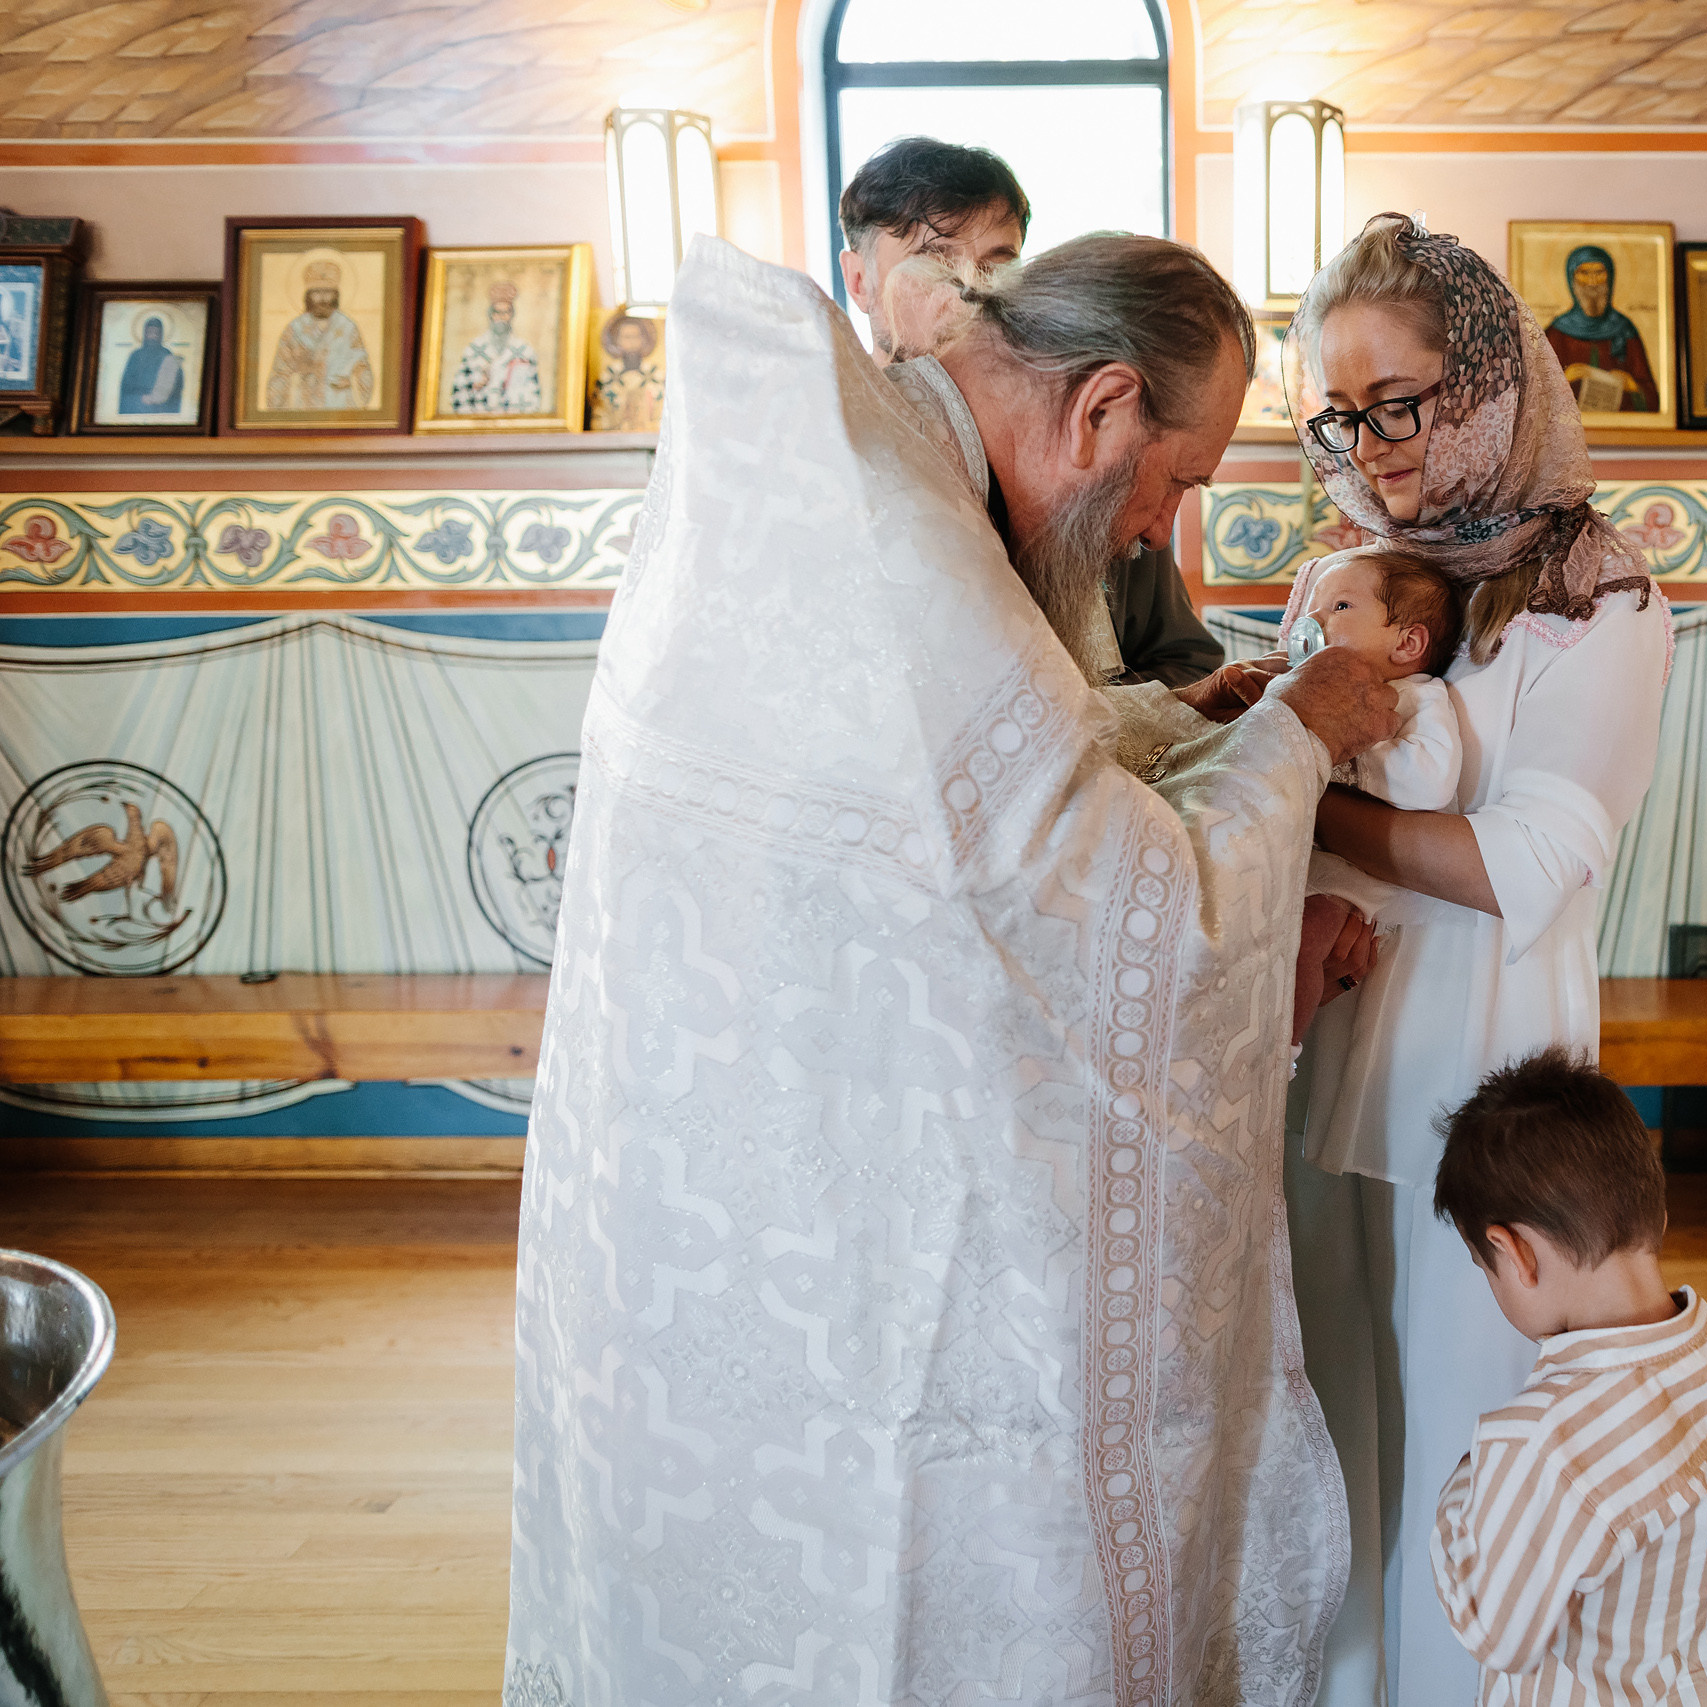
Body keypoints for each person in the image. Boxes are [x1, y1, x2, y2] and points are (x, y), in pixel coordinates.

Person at [503, 232, 1399, 1707]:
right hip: (821, 1215)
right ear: (1103, 407)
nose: (1155, 533)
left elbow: (994, 793)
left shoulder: (880, 467)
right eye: (1177, 483)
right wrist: (1298, 726)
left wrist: (1190, 727)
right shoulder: (905, 534)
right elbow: (1139, 921)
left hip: (728, 1195)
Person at [1281, 212, 1673, 1707]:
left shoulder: (1600, 598)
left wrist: (1306, 795)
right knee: (1330, 1437)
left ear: (1494, 383)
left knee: (1462, 1440)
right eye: (1342, 409)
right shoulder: (1349, 577)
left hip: (1481, 1081)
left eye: (1400, 403)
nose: (1370, 444)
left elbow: (1525, 860)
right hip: (1332, 1051)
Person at [1427, 1049, 1707, 1706]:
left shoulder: (1540, 1443)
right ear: (1656, 1213)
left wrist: (1470, 1483)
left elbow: (1492, 1627)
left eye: (1483, 1265)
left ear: (1515, 1253)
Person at [841, 133, 1225, 689]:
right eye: (935, 263)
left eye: (997, 266)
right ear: (860, 281)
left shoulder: (1098, 466)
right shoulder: (853, 464)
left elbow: (1186, 660)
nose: (970, 294)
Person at [1287, 545, 1465, 1044]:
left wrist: (1345, 751)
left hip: (1358, 873)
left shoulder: (1418, 697)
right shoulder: (1316, 691)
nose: (1314, 619)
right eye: (1312, 609)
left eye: (1340, 608)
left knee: (1309, 932)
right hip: (1311, 857)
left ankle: (1280, 1055)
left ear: (1407, 644)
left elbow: (1429, 780)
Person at [1540, 245, 1657, 414]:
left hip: (1620, 430)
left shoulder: (1625, 330)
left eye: (1599, 273)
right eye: (1584, 273)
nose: (1592, 282)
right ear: (1571, 278)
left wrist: (1631, 385)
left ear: (1610, 276)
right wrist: (1566, 378)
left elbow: (1654, 400)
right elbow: (1534, 398)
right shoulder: (1556, 333)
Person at [266, 257, 372, 411]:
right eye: (317, 292)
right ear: (308, 295)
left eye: (328, 292)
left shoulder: (348, 328)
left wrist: (351, 382)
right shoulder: (294, 329)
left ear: (335, 295)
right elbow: (280, 373)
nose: (322, 298)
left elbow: (363, 369)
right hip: (303, 404)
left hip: (340, 405)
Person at [446, 279, 542, 415]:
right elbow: (459, 393)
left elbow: (533, 396)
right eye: (497, 312)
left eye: (506, 313)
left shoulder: (524, 351)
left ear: (512, 315)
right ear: (490, 315)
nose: (501, 318)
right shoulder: (474, 350)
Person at [117, 316, 184, 414]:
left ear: (161, 335)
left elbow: (176, 384)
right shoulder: (136, 355)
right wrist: (141, 397)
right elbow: (126, 385)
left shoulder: (167, 355)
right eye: (150, 332)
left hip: (160, 405)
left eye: (156, 333)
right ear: (145, 333)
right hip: (137, 403)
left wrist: (157, 397)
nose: (153, 336)